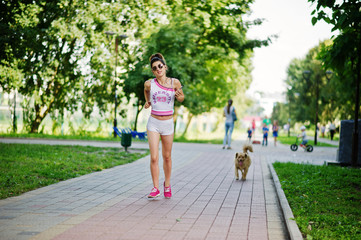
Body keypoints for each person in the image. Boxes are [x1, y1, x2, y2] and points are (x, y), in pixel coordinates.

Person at [144, 53, 184, 199]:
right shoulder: (149, 83)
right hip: (153, 123)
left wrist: (179, 96)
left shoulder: (175, 83)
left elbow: (181, 98)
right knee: (154, 158)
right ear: (152, 71)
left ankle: (167, 185)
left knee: (167, 157)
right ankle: (155, 188)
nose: (158, 69)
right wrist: (147, 101)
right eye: (154, 68)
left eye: (160, 66)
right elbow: (146, 91)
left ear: (165, 67)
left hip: (167, 124)